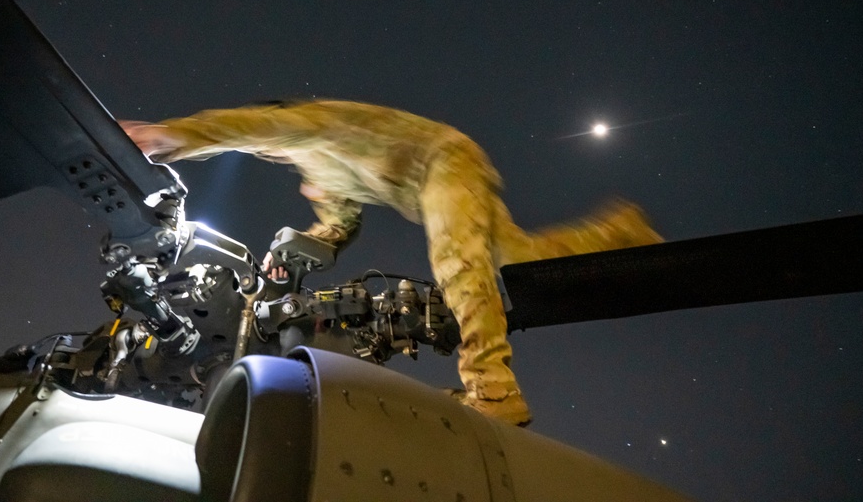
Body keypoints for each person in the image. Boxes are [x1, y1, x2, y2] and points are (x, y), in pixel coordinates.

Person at [121, 100, 662, 426]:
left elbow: (247, 128)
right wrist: (296, 252)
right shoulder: (322, 169)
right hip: (442, 176)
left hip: (443, 160)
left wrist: (172, 138)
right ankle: (620, 232)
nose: (284, 162)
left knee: (457, 262)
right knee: (516, 257)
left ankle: (494, 389)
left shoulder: (313, 123)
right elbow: (338, 225)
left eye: (278, 150)